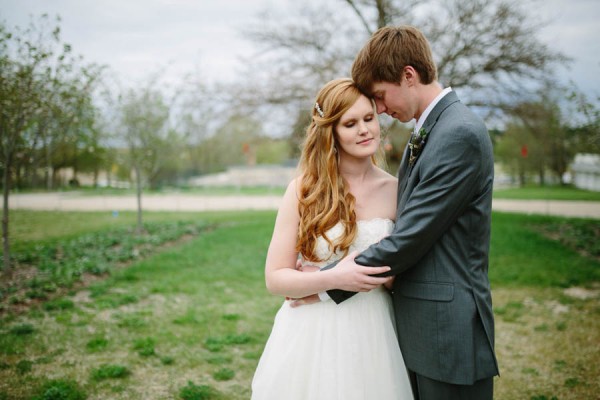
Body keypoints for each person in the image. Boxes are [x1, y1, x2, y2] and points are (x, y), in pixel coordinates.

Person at [300, 25, 499, 399]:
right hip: (418, 325)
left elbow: (410, 237)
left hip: (447, 331)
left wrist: (325, 283)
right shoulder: (432, 130)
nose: (378, 109)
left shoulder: (458, 134)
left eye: (379, 95)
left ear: (409, 75)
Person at [251, 78, 414, 400]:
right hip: (310, 332)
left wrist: (337, 284)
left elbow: (405, 270)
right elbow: (275, 278)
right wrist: (337, 276)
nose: (364, 130)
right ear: (331, 132)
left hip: (375, 329)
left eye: (369, 118)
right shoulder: (303, 190)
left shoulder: (398, 190)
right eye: (350, 123)